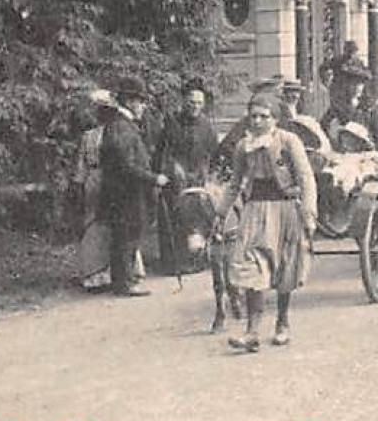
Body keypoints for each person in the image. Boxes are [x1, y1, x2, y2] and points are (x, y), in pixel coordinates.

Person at [214, 93, 318, 351]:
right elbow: (235, 183)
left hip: (285, 209)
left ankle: (282, 323)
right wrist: (220, 213)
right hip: (255, 211)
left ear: (274, 118)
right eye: (253, 116)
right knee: (250, 266)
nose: (258, 121)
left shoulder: (287, 141)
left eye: (264, 116)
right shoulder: (243, 146)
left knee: (284, 266)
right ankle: (252, 331)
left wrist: (308, 213)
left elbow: (306, 178)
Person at [98, 75, 169, 296]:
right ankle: (125, 283)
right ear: (129, 102)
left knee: (127, 235)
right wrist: (153, 178)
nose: (143, 107)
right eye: (140, 102)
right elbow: (126, 166)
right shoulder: (121, 126)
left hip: (126, 191)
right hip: (125, 193)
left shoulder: (123, 125)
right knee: (127, 236)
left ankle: (123, 281)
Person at [155, 78, 220, 276]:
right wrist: (170, 170)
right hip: (176, 178)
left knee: (200, 215)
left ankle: (198, 259)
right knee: (174, 218)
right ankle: (174, 263)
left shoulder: (207, 126)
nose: (195, 107)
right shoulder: (172, 123)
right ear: (184, 101)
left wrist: (208, 174)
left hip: (198, 177)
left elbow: (213, 153)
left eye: (200, 103)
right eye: (192, 103)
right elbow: (163, 151)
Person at [71, 89, 119, 292]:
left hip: (112, 180)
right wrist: (79, 184)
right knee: (92, 222)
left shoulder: (117, 132)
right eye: (98, 111)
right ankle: (94, 273)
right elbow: (81, 164)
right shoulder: (88, 136)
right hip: (95, 180)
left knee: (113, 222)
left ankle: (113, 271)